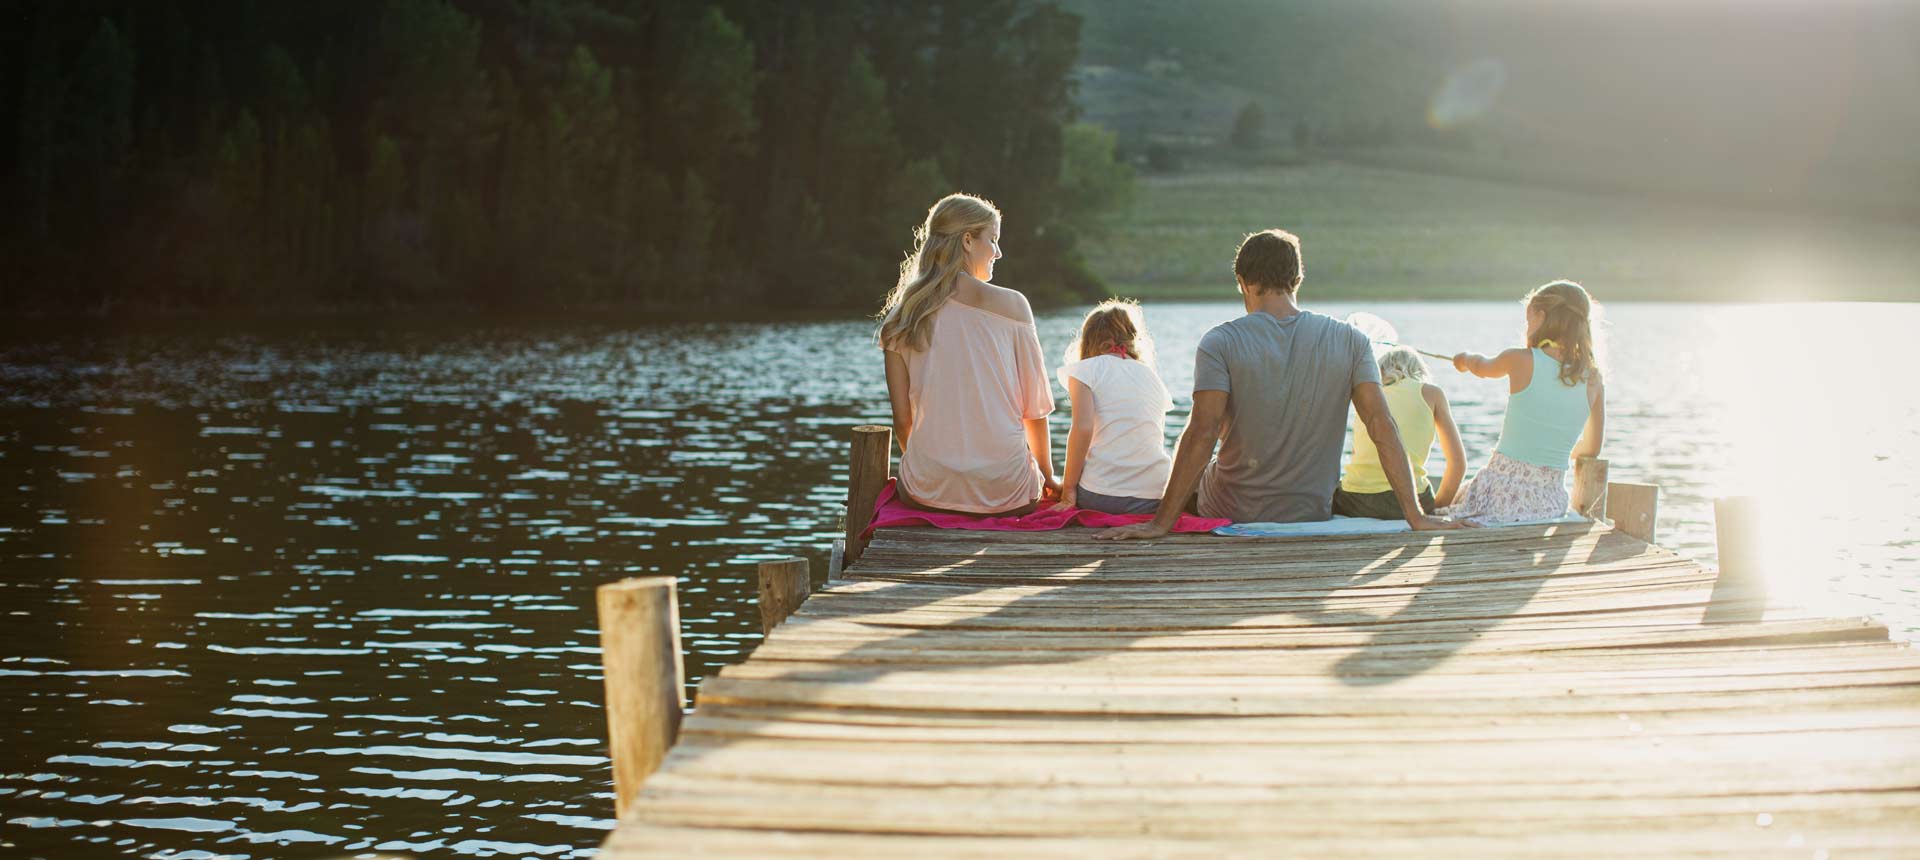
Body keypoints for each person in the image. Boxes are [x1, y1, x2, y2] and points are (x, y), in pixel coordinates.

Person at [1099, 229, 1462, 540]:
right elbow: (1382, 426)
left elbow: (1203, 433)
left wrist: (1160, 524)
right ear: (1298, 280)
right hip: (1311, 511)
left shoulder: (1219, 342)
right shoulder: (1353, 341)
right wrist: (1416, 516)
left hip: (1234, 508)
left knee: (1190, 436)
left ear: (1243, 282)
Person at [876, 193, 1058, 516]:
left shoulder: (900, 318)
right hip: (1007, 492)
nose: (999, 252)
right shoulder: (1015, 306)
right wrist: (1047, 472)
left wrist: (935, 472)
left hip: (925, 490)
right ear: (968, 241)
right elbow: (1034, 410)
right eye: (994, 240)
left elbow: (902, 420)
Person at [1445, 280, 1606, 524]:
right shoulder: (1593, 378)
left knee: (1458, 500)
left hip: (1499, 495)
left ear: (1541, 317)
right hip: (1549, 502)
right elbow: (1592, 447)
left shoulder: (1519, 359)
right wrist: (1551, 452)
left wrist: (1465, 359)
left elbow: (1482, 367)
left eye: (1528, 319)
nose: (1527, 327)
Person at [1050, 299, 1174, 515]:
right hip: (1155, 496)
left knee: (1073, 481)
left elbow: (1083, 428)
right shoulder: (1150, 376)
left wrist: (1068, 490)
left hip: (1103, 498)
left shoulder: (1085, 370)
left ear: (1087, 341)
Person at [1332, 346, 1466, 518]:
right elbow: (1458, 465)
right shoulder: (1432, 393)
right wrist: (1435, 509)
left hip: (1356, 501)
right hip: (1414, 501)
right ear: (1418, 370)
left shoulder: (1367, 396)